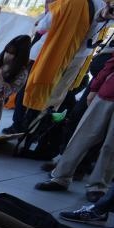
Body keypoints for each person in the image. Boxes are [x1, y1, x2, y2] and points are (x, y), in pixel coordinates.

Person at [36, 54, 114, 203]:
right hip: (107, 93)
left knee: (111, 146)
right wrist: (94, 87)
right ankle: (60, 177)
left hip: (107, 92)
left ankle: (97, 187)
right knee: (82, 137)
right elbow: (111, 63)